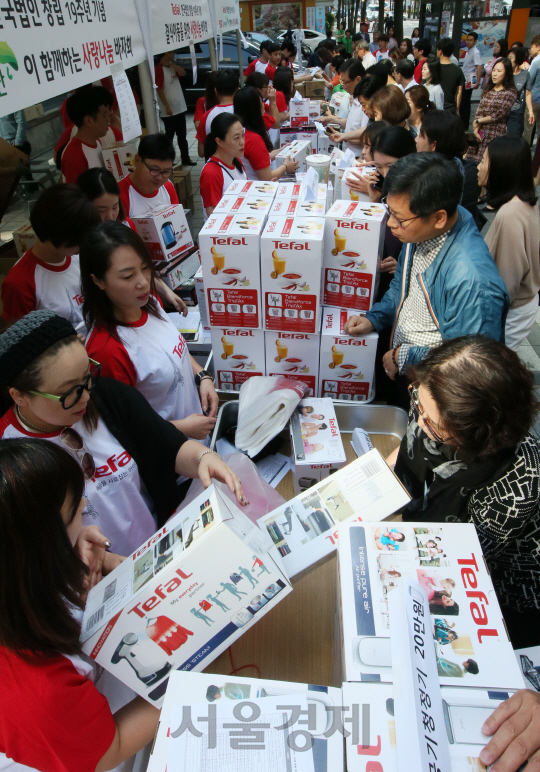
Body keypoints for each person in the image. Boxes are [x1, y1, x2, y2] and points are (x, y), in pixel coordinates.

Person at [0, 310, 246, 557]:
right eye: (69, 392)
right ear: (19, 396)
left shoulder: (108, 397)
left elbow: (166, 445)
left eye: (87, 377)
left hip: (159, 547)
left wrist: (204, 458)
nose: (86, 395)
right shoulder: (9, 457)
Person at [0, 438, 163, 772]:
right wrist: (185, 675)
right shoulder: (36, 690)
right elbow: (106, 753)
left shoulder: (20, 584)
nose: (87, 509)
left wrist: (73, 567)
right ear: (44, 546)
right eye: (77, 512)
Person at [388, 336, 540, 649]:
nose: (419, 417)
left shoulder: (519, 482)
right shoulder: (433, 402)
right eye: (417, 400)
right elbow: (405, 452)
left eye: (432, 423)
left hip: (501, 588)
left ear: (476, 436)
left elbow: (453, 562)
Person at [344, 154, 509, 408]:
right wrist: (374, 317)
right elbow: (402, 287)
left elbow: (470, 367)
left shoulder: (472, 283)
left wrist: (406, 356)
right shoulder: (424, 227)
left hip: (436, 397)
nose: (391, 223)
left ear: (438, 217)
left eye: (399, 218)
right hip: (406, 371)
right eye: (390, 211)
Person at [82, 221, 218, 439]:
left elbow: (176, 351)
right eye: (128, 276)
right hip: (170, 459)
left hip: (197, 444)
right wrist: (181, 428)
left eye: (145, 268)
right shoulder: (106, 351)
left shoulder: (152, 304)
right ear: (98, 280)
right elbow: (123, 427)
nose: (143, 282)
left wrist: (202, 376)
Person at [76, 167, 187, 314]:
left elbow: (143, 267)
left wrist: (166, 291)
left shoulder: (127, 224)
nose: (110, 216)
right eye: (101, 210)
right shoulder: (80, 246)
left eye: (114, 207)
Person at [1, 184, 99, 331]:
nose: (83, 246)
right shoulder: (20, 283)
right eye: (77, 241)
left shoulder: (78, 256)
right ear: (55, 233)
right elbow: (20, 342)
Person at [478, 137, 540, 350]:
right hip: (521, 306)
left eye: (484, 161)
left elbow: (508, 281)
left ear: (500, 169)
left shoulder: (510, 213)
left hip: (511, 312)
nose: (479, 166)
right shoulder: (523, 204)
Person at [232, 87, 298, 179]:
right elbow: (266, 177)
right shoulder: (254, 139)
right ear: (256, 108)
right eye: (261, 102)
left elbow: (258, 158)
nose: (263, 104)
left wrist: (281, 151)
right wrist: (285, 167)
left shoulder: (238, 131)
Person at [465, 59, 516, 163]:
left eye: (499, 71)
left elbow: (500, 114)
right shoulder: (488, 89)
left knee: (489, 163)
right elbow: (479, 111)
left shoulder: (510, 92)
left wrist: (479, 121)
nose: (495, 74)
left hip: (495, 133)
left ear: (507, 73)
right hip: (480, 133)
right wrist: (475, 130)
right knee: (472, 162)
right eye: (494, 70)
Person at [118, 133, 179, 218]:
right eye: (154, 170)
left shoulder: (167, 187)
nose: (159, 177)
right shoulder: (120, 195)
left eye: (166, 171)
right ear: (137, 160)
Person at [60, 86, 113, 183]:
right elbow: (76, 196)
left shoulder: (97, 142)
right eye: (104, 115)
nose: (108, 120)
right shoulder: (74, 156)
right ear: (89, 121)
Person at [200, 113, 246, 219]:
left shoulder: (236, 160)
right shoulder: (211, 172)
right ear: (219, 141)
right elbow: (213, 215)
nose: (242, 142)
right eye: (236, 138)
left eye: (242, 135)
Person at [155, 50, 195, 167]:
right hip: (169, 110)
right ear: (166, 53)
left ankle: (185, 158)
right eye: (171, 53)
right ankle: (168, 159)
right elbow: (159, 90)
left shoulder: (172, 67)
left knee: (182, 136)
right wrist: (167, 106)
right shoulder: (159, 69)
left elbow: (182, 73)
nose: (173, 55)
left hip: (180, 107)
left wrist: (171, 64)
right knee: (169, 136)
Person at [324, 60, 367, 156]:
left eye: (345, 83)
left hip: (357, 156)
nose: (343, 86)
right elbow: (353, 123)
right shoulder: (354, 97)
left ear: (358, 79)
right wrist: (333, 120)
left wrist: (343, 137)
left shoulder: (365, 104)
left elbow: (365, 136)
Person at [196, 69, 240, 155]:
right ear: (238, 89)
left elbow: (201, 152)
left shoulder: (207, 116)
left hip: (216, 165)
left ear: (216, 91)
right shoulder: (246, 110)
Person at [507, 46, 532, 136]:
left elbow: (528, 93)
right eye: (508, 57)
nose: (508, 60)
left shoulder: (525, 75)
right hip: (501, 110)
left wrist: (531, 111)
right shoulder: (504, 72)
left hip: (515, 111)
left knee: (513, 137)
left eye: (511, 58)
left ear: (518, 59)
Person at [460, 31, 483, 127]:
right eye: (467, 40)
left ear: (475, 41)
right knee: (463, 100)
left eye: (470, 40)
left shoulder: (475, 53)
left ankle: (464, 124)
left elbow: (479, 67)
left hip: (469, 79)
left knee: (465, 101)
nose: (468, 42)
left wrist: (477, 82)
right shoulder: (469, 51)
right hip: (465, 78)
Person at [436, 37, 465, 113]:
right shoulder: (457, 70)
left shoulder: (434, 68)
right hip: (450, 109)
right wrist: (457, 110)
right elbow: (459, 92)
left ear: (440, 51)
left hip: (435, 108)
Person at [523, 35, 540, 144]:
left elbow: (528, 81)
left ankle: (524, 154)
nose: (530, 49)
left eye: (532, 46)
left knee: (528, 129)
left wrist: (525, 69)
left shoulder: (536, 62)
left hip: (534, 99)